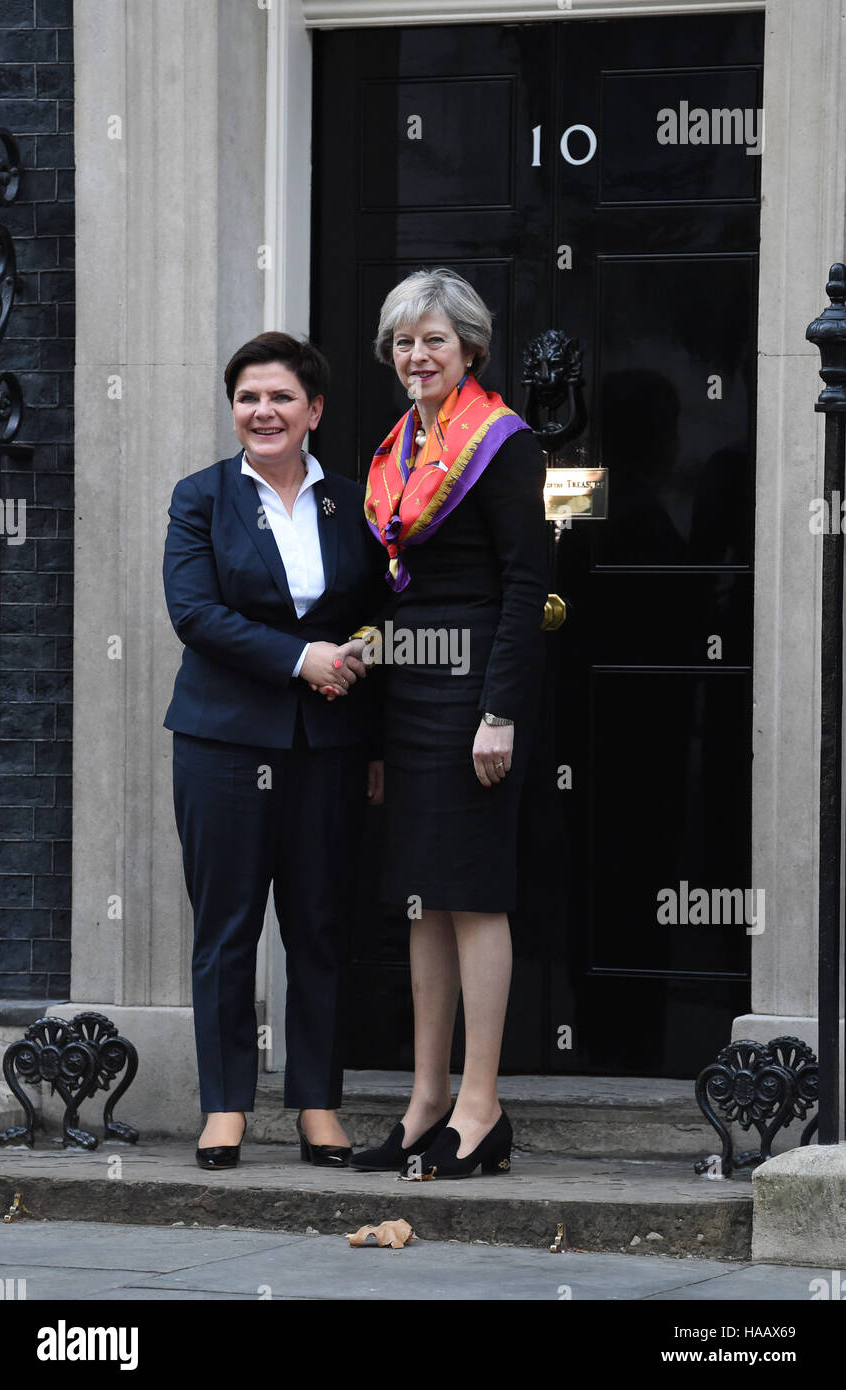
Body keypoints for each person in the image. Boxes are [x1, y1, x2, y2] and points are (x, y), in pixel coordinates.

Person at [162, 332, 386, 1170]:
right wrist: (302, 658)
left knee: (320, 926)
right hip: (221, 742)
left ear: (314, 411)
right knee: (226, 928)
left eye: (282, 397)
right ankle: (224, 1107)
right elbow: (195, 614)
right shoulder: (201, 498)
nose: (263, 411)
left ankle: (318, 1106)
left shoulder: (356, 504)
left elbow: (380, 611)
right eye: (249, 398)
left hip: (329, 743)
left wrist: (365, 693)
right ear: (234, 411)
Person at [349, 269, 548, 1179]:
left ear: (470, 347)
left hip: (474, 694)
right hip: (412, 691)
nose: (415, 356)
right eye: (402, 342)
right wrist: (382, 735)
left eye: (433, 340)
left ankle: (481, 1103)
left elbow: (523, 588)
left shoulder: (503, 445)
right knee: (419, 899)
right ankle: (426, 1099)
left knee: (473, 893)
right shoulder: (397, 447)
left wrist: (498, 711)